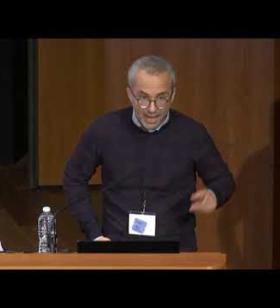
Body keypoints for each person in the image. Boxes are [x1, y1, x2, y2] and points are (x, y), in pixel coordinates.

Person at [63, 55, 235, 251]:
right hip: (116, 244)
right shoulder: (104, 129)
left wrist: (215, 195)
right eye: (143, 98)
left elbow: (224, 181)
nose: (152, 109)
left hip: (176, 247)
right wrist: (93, 233)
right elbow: (74, 178)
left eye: (161, 98)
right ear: (130, 94)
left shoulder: (192, 133)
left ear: (172, 95)